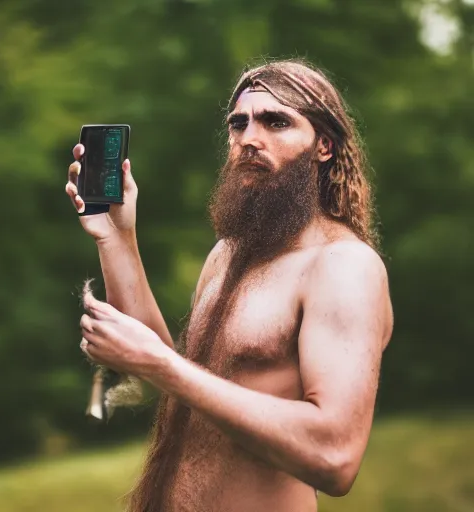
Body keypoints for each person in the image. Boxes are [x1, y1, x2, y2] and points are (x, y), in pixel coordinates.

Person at [66, 58, 393, 512]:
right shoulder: (229, 253)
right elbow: (183, 382)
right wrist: (116, 237)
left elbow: (334, 456)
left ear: (324, 145)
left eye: (276, 122)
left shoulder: (344, 266)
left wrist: (161, 364)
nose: (249, 139)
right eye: (238, 124)